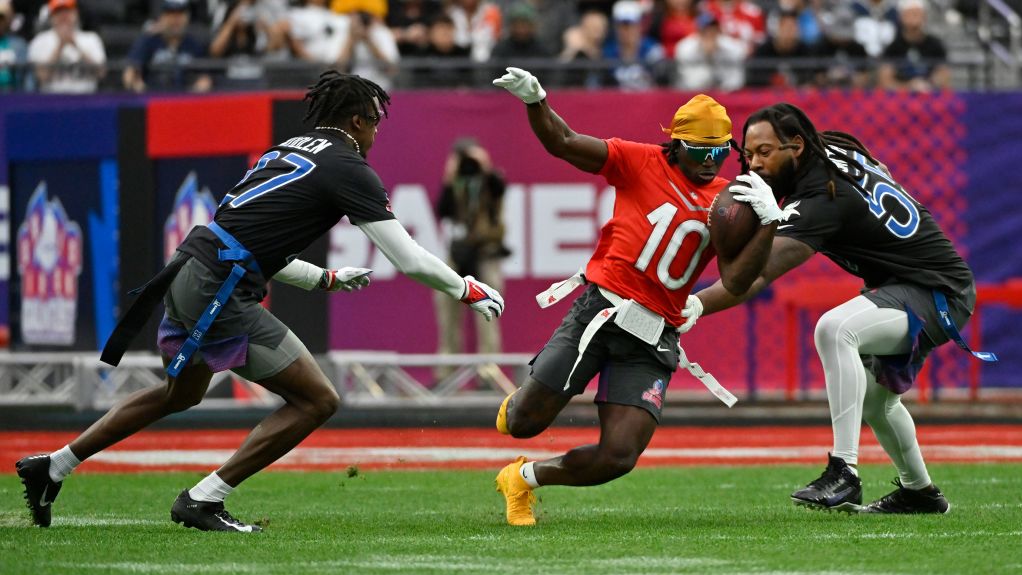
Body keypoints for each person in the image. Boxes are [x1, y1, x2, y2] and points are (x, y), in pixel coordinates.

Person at [16, 71, 505, 532]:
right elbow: (409, 258)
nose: (378, 132)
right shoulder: (349, 166)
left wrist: (323, 279)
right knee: (318, 399)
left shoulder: (287, 149)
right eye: (376, 120)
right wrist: (467, 287)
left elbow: (243, 238)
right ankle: (205, 498)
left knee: (180, 394)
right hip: (218, 288)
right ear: (358, 121)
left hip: (192, 269)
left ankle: (54, 465)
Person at [489, 66, 785, 526]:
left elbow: (739, 279)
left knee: (620, 455)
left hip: (655, 334)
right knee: (522, 423)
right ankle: (524, 401)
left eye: (719, 151)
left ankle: (524, 479)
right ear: (676, 142)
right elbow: (565, 142)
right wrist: (536, 100)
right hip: (603, 311)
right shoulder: (639, 160)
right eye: (699, 149)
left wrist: (768, 223)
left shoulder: (732, 199)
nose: (710, 160)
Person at [688, 102, 992, 514]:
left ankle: (843, 471)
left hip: (935, 291)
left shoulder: (821, 197)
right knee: (877, 403)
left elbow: (754, 277)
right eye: (749, 154)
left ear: (796, 147)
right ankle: (920, 493)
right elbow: (874, 169)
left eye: (764, 152)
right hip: (917, 282)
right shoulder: (829, 148)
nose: (754, 164)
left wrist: (688, 307)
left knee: (835, 329)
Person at [434, 137, 509, 366]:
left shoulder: (491, 181)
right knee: (447, 312)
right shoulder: (455, 184)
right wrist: (449, 178)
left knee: (488, 310)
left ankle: (489, 371)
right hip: (458, 253)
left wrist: (484, 168)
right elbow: (442, 211)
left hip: (486, 253)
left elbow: (499, 189)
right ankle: (446, 370)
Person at [123, 0, 211, 93]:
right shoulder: (148, 41)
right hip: (153, 99)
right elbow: (130, 73)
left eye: (180, 14)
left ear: (187, 17)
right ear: (162, 17)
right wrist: (139, 88)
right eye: (170, 14)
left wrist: (196, 91)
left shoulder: (194, 44)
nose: (175, 20)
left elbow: (205, 78)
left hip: (185, 101)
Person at [27, 0, 105, 94]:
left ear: (76, 13)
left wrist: (76, 45)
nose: (64, 16)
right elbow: (41, 76)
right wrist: (60, 45)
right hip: (51, 101)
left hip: (86, 99)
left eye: (67, 11)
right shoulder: (40, 41)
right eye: (58, 12)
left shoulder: (91, 39)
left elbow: (101, 73)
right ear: (51, 16)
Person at [876, 0, 949, 92]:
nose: (914, 17)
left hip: (930, 97)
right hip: (900, 100)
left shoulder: (935, 45)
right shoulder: (893, 47)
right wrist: (908, 86)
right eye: (910, 13)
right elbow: (885, 82)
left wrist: (928, 84)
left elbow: (944, 76)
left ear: (924, 16)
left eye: (917, 13)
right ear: (901, 17)